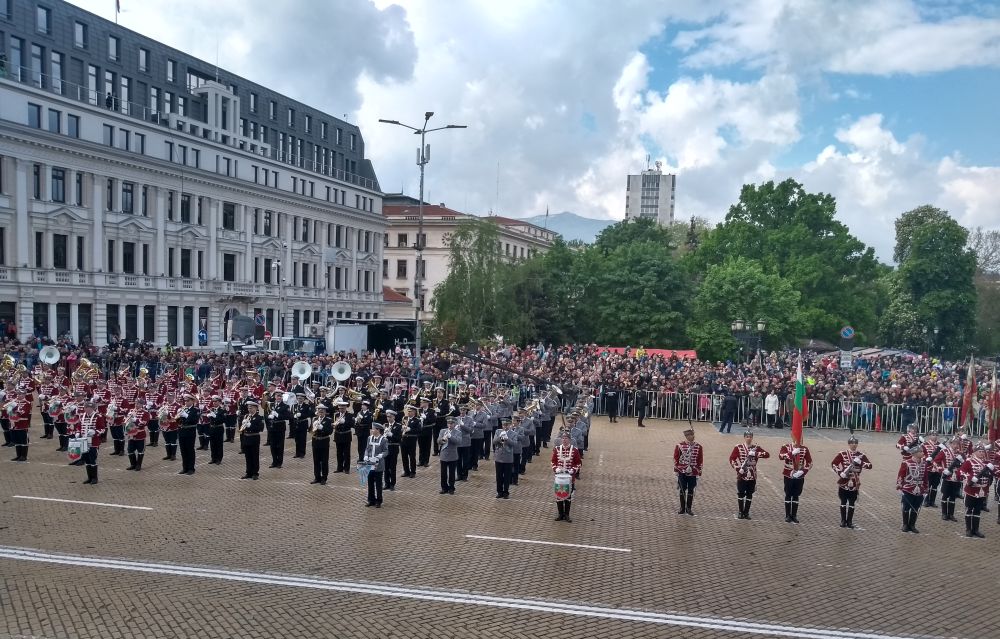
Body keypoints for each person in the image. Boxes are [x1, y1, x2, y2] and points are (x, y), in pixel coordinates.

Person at [830, 436, 873, 528]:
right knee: (843, 501)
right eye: (852, 443)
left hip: (854, 482)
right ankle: (843, 520)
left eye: (855, 443)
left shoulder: (861, 455)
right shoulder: (842, 454)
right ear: (848, 444)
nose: (854, 445)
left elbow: (870, 466)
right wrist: (840, 473)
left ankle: (849, 521)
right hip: (844, 481)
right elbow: (833, 464)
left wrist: (860, 462)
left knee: (852, 502)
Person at [957, 443, 996, 538]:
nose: (982, 453)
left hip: (982, 490)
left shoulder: (987, 463)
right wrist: (970, 478)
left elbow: (993, 473)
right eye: (980, 451)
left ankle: (976, 529)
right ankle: (968, 529)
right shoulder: (969, 461)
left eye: (983, 451)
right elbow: (961, 472)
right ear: (974, 452)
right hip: (971, 490)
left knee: (977, 510)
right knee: (969, 509)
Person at [729, 430, 770, 519]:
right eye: (747, 437)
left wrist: (755, 453)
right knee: (740, 493)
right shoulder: (738, 447)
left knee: (749, 493)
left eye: (750, 437)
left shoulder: (756, 448)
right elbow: (732, 459)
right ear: (744, 437)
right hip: (742, 473)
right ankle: (741, 511)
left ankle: (746, 512)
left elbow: (767, 454)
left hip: (752, 474)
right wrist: (738, 469)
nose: (749, 438)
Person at [778, 438, 813, 523]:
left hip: (799, 475)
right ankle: (787, 515)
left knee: (796, 495)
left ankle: (794, 515)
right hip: (788, 474)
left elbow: (809, 462)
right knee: (788, 494)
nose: (799, 441)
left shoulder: (804, 449)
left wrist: (803, 471)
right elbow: (781, 456)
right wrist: (792, 453)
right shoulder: (786, 447)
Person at [551, 431, 582, 522]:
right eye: (563, 438)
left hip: (569, 478)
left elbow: (578, 463)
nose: (564, 440)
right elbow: (553, 461)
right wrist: (556, 469)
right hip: (559, 477)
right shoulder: (557, 449)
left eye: (566, 438)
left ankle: (567, 514)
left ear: (569, 440)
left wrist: (573, 470)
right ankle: (560, 514)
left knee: (568, 496)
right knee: (559, 495)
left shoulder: (574, 450)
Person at [897, 444, 928, 533]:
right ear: (914, 453)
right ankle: (905, 524)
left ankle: (912, 525)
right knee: (906, 507)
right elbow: (901, 475)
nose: (923, 453)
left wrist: (925, 488)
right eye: (920, 452)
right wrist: (899, 485)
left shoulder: (924, 464)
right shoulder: (906, 463)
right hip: (908, 488)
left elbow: (925, 477)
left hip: (920, 489)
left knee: (916, 508)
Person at [933, 436, 965, 522]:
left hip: (956, 478)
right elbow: (935, 462)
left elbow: (965, 465)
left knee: (953, 496)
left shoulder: (961, 454)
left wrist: (962, 463)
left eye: (957, 444)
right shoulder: (944, 452)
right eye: (954, 444)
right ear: (950, 444)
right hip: (947, 477)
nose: (955, 445)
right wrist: (942, 470)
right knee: (945, 495)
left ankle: (951, 514)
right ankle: (944, 513)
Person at [673, 428, 704, 515]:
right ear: (686, 436)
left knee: (691, 489)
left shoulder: (698, 446)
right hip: (682, 470)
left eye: (692, 435)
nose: (692, 437)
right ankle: (682, 508)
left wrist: (699, 470)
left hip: (693, 471)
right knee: (682, 489)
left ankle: (689, 508)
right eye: (690, 435)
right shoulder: (680, 446)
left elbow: (700, 459)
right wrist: (676, 469)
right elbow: (676, 458)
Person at [74, 399, 106, 485]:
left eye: (88, 407)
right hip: (84, 441)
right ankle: (89, 478)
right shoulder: (82, 416)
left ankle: (95, 478)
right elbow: (79, 426)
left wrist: (95, 432)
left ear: (92, 408)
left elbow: (102, 429)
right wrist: (78, 432)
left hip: (93, 442)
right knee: (87, 459)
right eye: (85, 407)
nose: (86, 409)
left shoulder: (98, 416)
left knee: (93, 459)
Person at [363, 423, 388, 507]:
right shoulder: (369, 438)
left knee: (378, 484)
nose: (372, 430)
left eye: (373, 429)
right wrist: (366, 455)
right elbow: (367, 449)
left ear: (378, 430)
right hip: (370, 464)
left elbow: (386, 451)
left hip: (378, 465)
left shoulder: (383, 439)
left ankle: (379, 501)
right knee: (370, 483)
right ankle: (371, 500)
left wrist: (381, 455)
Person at [239, 399, 265, 480]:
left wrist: (251, 426)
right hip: (246, 438)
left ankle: (255, 473)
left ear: (256, 408)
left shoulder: (259, 417)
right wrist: (243, 424)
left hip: (254, 438)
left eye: (251, 408)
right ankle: (248, 472)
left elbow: (261, 428)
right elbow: (242, 429)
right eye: (248, 408)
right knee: (247, 456)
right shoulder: (246, 416)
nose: (249, 409)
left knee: (254, 456)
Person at [176, 393, 201, 475]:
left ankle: (191, 468)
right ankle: (185, 468)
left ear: (192, 401)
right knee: (183, 450)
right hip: (181, 431)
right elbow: (177, 421)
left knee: (190, 450)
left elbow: (194, 420)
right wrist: (178, 416)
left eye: (188, 401)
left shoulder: (195, 410)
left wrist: (186, 415)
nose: (186, 402)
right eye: (185, 401)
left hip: (190, 431)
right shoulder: (183, 409)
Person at [309, 404, 333, 485]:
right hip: (315, 441)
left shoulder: (328, 420)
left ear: (325, 412)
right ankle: (317, 477)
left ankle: (324, 478)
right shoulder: (314, 419)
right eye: (319, 412)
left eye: (322, 412)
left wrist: (322, 428)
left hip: (324, 441)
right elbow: (310, 430)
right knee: (316, 460)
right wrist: (313, 427)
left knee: (324, 461)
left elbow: (330, 431)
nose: (321, 413)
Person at [268, 391, 292, 468]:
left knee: (280, 445)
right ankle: (274, 461)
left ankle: (279, 462)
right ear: (275, 396)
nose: (278, 397)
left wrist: (278, 415)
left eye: (280, 396)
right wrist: (269, 417)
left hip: (280, 427)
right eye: (277, 396)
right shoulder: (271, 405)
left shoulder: (285, 406)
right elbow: (267, 413)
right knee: (272, 445)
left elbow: (288, 416)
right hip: (272, 427)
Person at [492, 419, 514, 499]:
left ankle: (506, 492)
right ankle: (499, 492)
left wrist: (507, 438)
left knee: (507, 476)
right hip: (499, 457)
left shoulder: (513, 433)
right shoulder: (498, 431)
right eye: (504, 425)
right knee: (499, 476)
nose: (505, 427)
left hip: (508, 458)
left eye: (507, 425)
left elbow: (514, 444)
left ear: (510, 425)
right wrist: (499, 437)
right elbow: (494, 441)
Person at [437, 416, 460, 494]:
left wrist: (450, 437)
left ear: (454, 424)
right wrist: (442, 440)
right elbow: (438, 441)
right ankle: (444, 488)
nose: (450, 425)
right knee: (443, 473)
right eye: (448, 423)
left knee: (452, 473)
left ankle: (451, 488)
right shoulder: (442, 431)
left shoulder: (458, 432)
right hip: (443, 455)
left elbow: (458, 442)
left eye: (451, 423)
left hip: (452, 455)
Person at [332, 399, 354, 473]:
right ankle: (339, 468)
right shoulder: (336, 415)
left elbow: (352, 424)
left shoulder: (349, 415)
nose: (341, 409)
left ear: (345, 408)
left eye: (343, 408)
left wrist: (345, 422)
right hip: (338, 435)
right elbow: (333, 423)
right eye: (340, 408)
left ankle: (347, 468)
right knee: (339, 453)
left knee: (346, 453)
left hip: (346, 435)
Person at [124, 405, 148, 471]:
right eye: (136, 403)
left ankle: (138, 465)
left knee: (140, 451)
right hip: (131, 435)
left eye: (138, 403)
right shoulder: (131, 411)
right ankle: (133, 464)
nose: (136, 405)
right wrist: (127, 418)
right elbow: (126, 420)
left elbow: (144, 423)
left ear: (141, 404)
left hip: (140, 435)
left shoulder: (145, 413)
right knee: (130, 450)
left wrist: (136, 420)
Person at [383, 409, 401, 490]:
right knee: (386, 467)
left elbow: (399, 438)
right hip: (386, 448)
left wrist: (391, 435)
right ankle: (386, 483)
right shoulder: (385, 425)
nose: (388, 418)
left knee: (392, 467)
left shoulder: (398, 426)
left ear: (394, 417)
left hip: (393, 448)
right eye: (387, 417)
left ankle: (392, 484)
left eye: (390, 417)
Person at [400, 404, 420, 478]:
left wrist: (410, 429)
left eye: (410, 411)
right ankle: (406, 471)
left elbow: (419, 430)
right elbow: (401, 428)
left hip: (411, 440)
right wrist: (402, 428)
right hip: (404, 440)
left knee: (412, 457)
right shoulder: (404, 419)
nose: (408, 412)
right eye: (408, 411)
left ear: (414, 412)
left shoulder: (417, 420)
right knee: (404, 456)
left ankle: (413, 472)